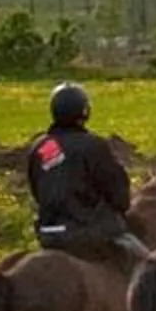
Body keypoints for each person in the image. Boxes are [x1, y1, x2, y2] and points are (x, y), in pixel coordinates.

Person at [27, 82, 145, 282]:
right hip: (87, 235)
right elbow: (119, 196)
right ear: (84, 111)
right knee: (147, 266)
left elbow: (37, 191)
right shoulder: (93, 146)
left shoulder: (39, 147)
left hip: (49, 235)